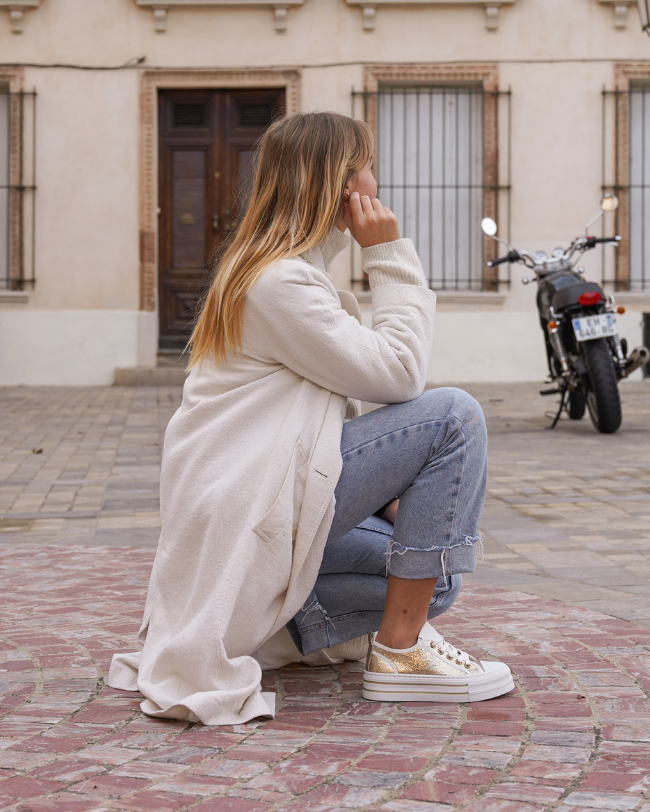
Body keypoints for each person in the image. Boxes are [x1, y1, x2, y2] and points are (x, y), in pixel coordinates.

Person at [108, 111, 513, 725]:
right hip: (259, 503)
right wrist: (390, 256)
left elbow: (325, 418)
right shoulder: (280, 284)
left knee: (435, 575)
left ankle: (282, 623)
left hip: (264, 500)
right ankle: (400, 655)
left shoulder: (271, 272)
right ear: (340, 183)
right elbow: (401, 373)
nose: (377, 182)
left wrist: (401, 497)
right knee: (454, 416)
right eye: (368, 166)